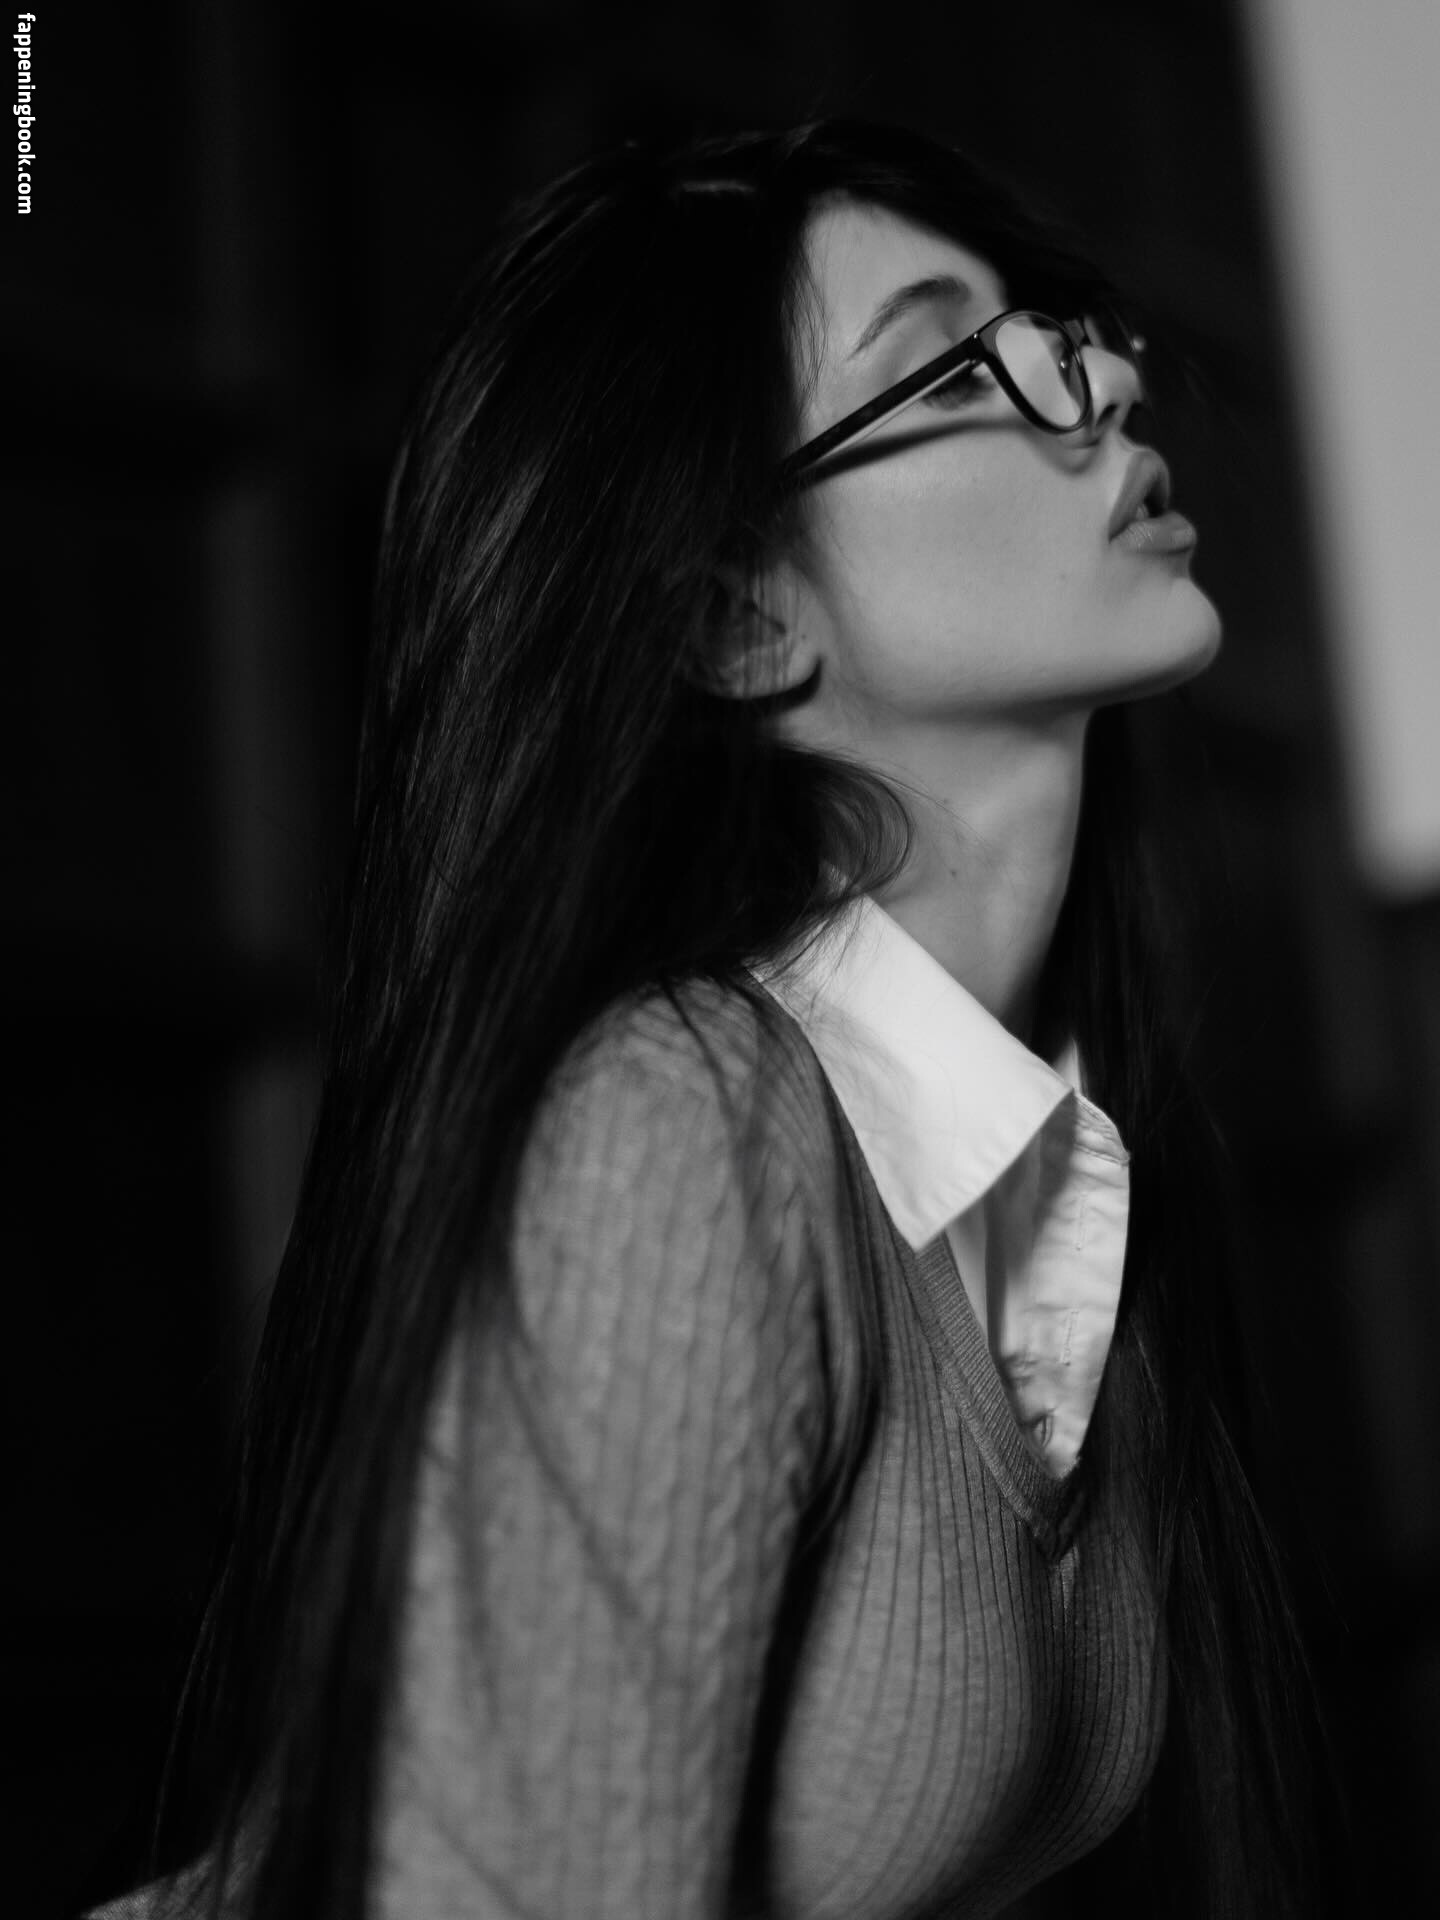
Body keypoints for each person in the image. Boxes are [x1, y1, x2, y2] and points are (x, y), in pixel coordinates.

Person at [90, 119, 1345, 1920]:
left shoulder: (1051, 1175)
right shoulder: (682, 1119)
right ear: (744, 621)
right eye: (952, 368)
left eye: (1062, 333)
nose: (1105, 387)